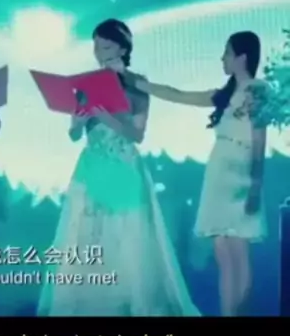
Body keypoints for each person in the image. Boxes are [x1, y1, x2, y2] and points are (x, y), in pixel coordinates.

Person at [37, 18, 200, 316]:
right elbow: (73, 135)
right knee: (88, 235)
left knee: (129, 239)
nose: (100, 53)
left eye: (107, 47)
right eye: (96, 47)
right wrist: (80, 121)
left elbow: (137, 134)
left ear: (123, 49)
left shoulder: (137, 85)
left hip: (124, 166)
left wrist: (108, 117)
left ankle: (130, 305)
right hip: (91, 167)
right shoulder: (85, 84)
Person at [134, 31, 268, 316]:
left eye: (227, 53)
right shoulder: (224, 95)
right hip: (218, 170)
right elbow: (179, 95)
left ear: (242, 57)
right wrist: (141, 84)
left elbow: (259, 137)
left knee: (239, 250)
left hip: (241, 171)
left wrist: (255, 184)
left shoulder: (257, 90)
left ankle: (242, 313)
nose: (223, 58)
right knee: (222, 252)